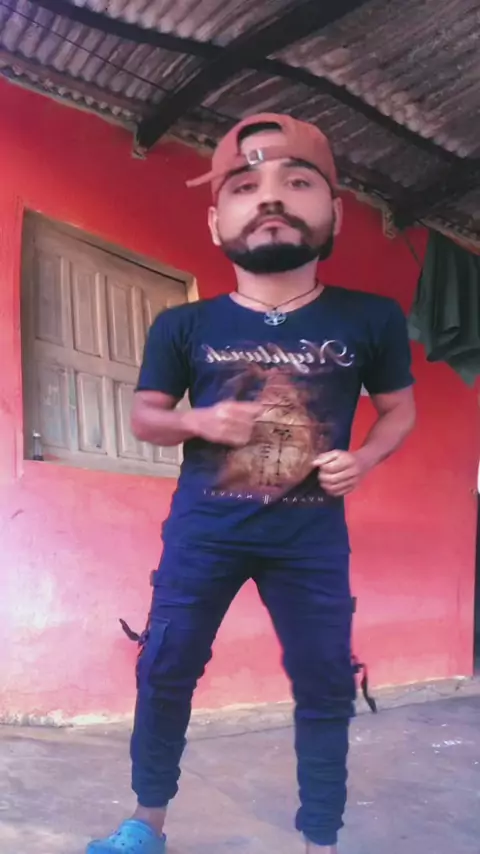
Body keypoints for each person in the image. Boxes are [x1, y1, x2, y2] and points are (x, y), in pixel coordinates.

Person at [87, 113, 416, 854]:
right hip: (204, 530)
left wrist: (365, 459)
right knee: (165, 667)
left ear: (334, 213)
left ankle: (319, 841)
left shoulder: (371, 318)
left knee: (325, 683)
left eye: (297, 182)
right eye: (244, 186)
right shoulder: (183, 326)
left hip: (310, 536)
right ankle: (146, 823)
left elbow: (399, 411)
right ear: (216, 222)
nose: (270, 198)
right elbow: (145, 417)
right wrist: (200, 420)